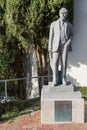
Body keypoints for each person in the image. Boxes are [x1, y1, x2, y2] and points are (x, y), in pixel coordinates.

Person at [48, 7, 73, 86]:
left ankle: (63, 78)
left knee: (64, 63)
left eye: (65, 13)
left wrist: (69, 41)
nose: (63, 15)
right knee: (54, 62)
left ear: (66, 15)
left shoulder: (69, 24)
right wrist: (50, 46)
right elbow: (51, 36)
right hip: (55, 46)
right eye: (62, 13)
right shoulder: (53, 24)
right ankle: (55, 79)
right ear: (59, 14)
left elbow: (72, 34)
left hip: (65, 45)